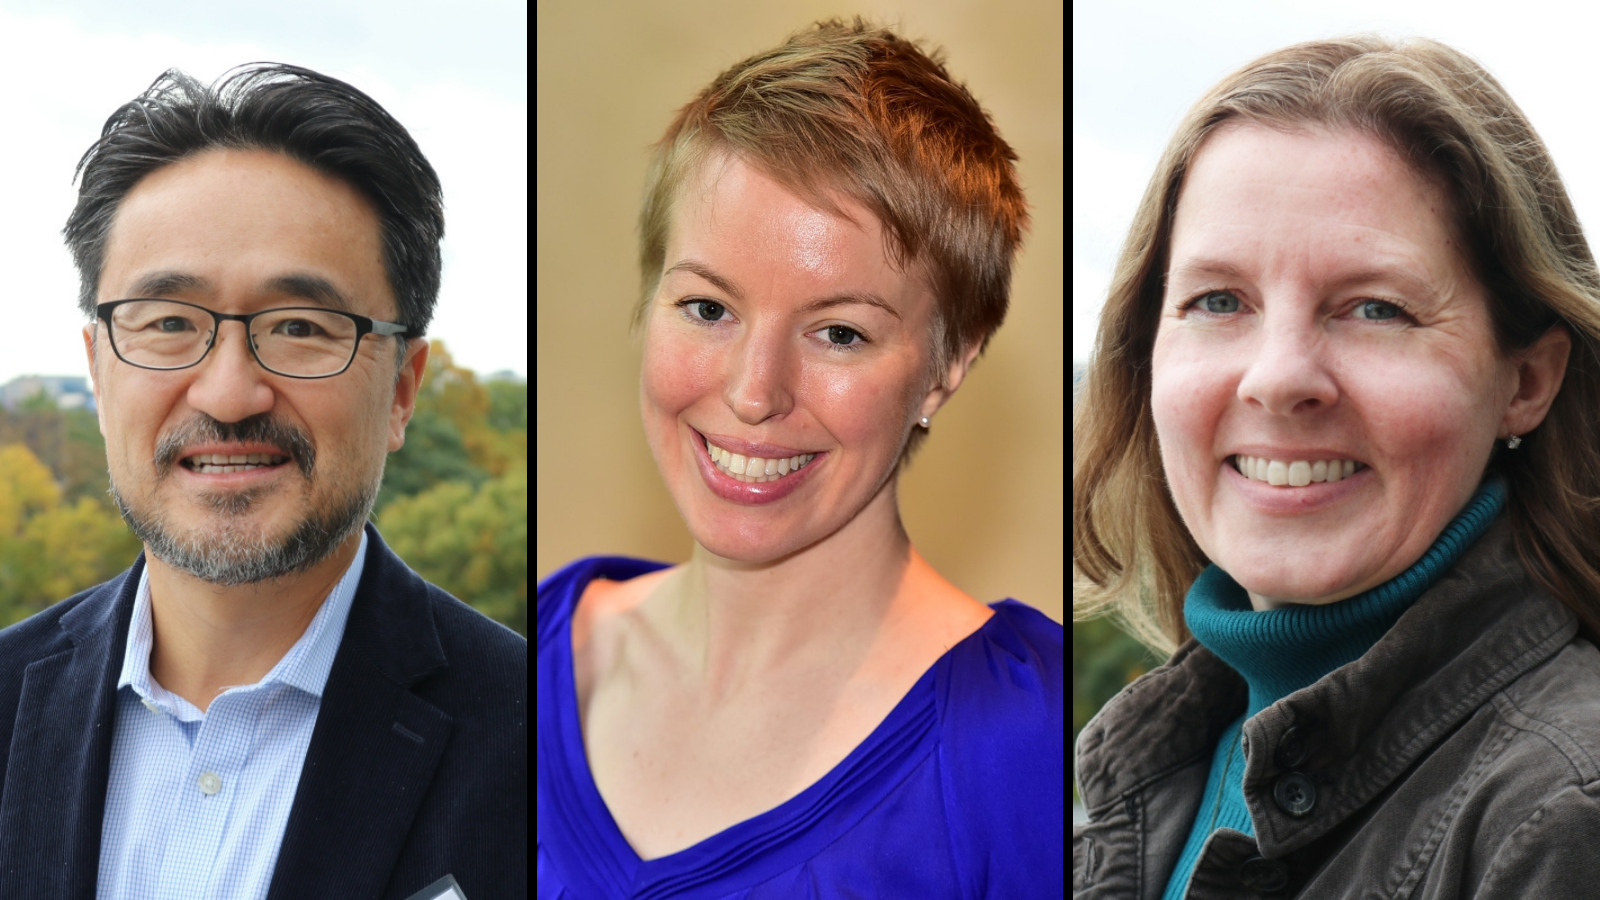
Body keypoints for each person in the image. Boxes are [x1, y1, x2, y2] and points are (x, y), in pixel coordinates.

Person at [535, 16, 1063, 898]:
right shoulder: (532, 649)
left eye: (840, 332)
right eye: (708, 309)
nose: (754, 392)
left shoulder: (1028, 737)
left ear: (948, 365)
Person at [1072, 34, 1600, 899]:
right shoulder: (1157, 760)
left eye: (1375, 309)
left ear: (1526, 381)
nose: (1278, 377)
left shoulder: (1561, 818)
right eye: (1217, 300)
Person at [0, 64, 525, 898]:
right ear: (97, 373)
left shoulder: (537, 746)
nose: (229, 393)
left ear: (400, 389)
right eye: (169, 323)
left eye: (300, 327)